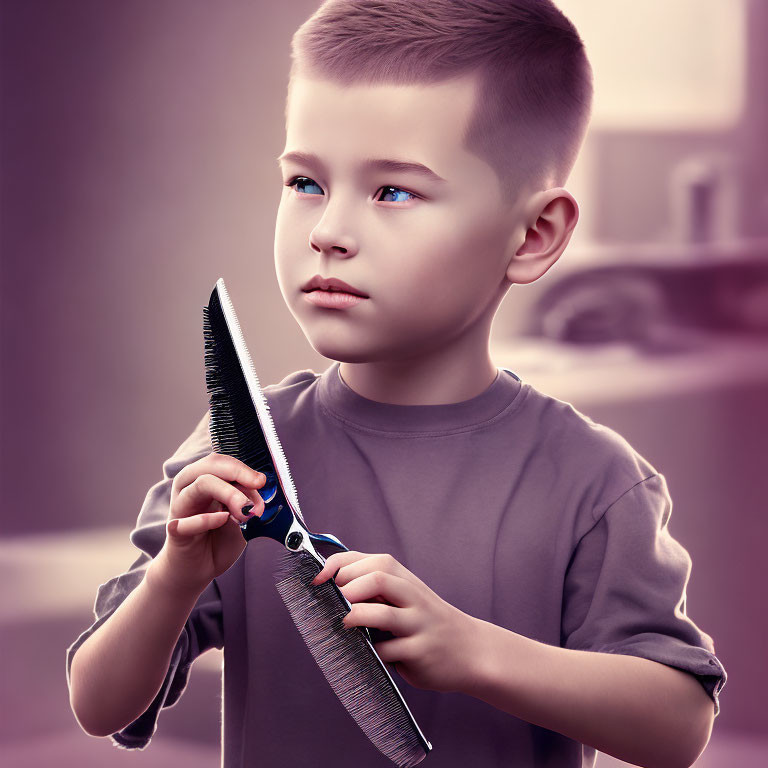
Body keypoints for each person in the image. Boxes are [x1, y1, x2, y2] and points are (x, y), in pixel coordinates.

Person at [66, 1, 727, 766]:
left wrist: (472, 652)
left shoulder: (592, 481)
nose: (328, 231)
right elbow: (98, 702)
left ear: (534, 234)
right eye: (306, 181)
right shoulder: (238, 453)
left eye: (394, 193)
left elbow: (679, 727)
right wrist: (175, 580)